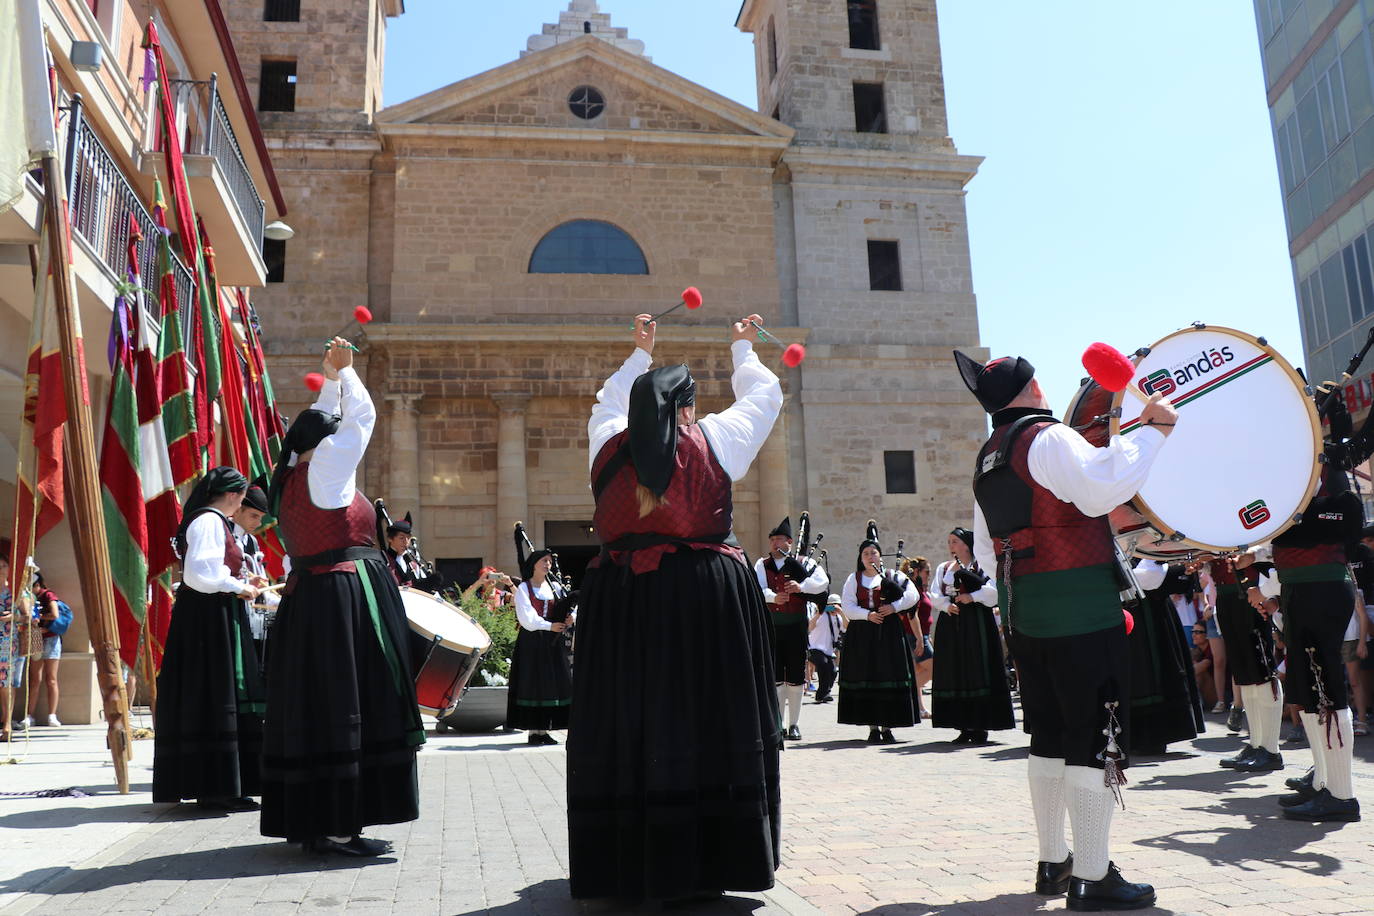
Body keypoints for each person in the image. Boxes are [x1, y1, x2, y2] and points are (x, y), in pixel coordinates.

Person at [568, 312, 783, 903]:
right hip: (702, 598)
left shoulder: (604, 439)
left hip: (622, 598)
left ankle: (627, 857)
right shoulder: (715, 439)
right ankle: (711, 858)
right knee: (707, 716)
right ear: (687, 410)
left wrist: (641, 354)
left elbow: (610, 400)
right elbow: (765, 395)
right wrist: (741, 348)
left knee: (630, 722)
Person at [957, 348, 1174, 911]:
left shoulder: (988, 455)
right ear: (1032, 389)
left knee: (1049, 734)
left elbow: (986, 549)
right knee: (1093, 735)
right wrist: (1153, 431)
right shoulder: (1047, 438)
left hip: (1025, 613)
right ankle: (1094, 876)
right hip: (1078, 607)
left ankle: (1054, 861)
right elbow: (1102, 487)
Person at [261, 337, 424, 856]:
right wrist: (350, 375)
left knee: (318, 706)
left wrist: (329, 378)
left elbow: (320, 420)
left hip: (311, 599)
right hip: (339, 601)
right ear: (326, 442)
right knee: (348, 701)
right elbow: (363, 418)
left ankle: (319, 820)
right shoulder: (328, 469)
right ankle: (337, 825)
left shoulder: (289, 474)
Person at [153, 467, 264, 812]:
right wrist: (238, 586)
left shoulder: (211, 521)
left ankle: (223, 785)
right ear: (232, 496)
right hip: (207, 620)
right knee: (213, 694)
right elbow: (202, 574)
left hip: (212, 616)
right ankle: (214, 787)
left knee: (217, 693)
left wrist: (242, 585)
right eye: (243, 499)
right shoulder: (209, 521)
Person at [1264, 455, 1363, 822]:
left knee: (1327, 688)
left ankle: (1342, 794)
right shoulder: (1288, 485)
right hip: (1299, 589)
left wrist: (1296, 522)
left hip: (1322, 587)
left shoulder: (1329, 475)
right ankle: (1325, 781)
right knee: (1308, 690)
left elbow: (1348, 522)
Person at [929, 527, 1014, 745]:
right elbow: (935, 594)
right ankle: (962, 725)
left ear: (967, 544)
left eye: (955, 541)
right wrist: (947, 605)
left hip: (977, 623)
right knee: (956, 670)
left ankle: (981, 725)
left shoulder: (983, 566)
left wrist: (972, 597)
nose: (951, 546)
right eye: (949, 542)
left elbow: (994, 591)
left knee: (977, 668)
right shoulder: (944, 568)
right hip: (952, 624)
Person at [838, 526, 920, 744]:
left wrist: (894, 607)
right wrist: (867, 615)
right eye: (865, 553)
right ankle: (873, 727)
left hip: (889, 634)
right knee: (868, 676)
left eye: (873, 552)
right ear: (861, 558)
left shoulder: (894, 575)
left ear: (880, 555)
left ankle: (888, 726)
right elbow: (847, 606)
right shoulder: (853, 579)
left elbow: (913, 595)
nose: (870, 556)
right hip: (863, 635)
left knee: (888, 676)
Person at [754, 516, 830, 741]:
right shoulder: (762, 564)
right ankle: (777, 723)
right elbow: (757, 588)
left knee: (795, 678)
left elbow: (822, 583)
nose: (775, 544)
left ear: (789, 542)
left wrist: (801, 586)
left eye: (779, 539)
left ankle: (794, 724)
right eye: (772, 540)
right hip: (772, 627)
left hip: (796, 626)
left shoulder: (805, 563)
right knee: (775, 678)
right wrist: (772, 597)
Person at [1206, 552, 1283, 771]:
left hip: (1251, 588)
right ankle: (1256, 744)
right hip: (1226, 592)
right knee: (1244, 674)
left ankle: (1270, 749)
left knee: (1262, 669)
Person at [1127, 559, 1203, 755]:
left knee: (1152, 671)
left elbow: (1149, 575)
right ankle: (1138, 736)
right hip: (1135, 612)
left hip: (1151, 613)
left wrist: (1177, 568)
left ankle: (1153, 736)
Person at [509, 531, 574, 745]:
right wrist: (549, 625)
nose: (547, 564)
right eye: (543, 561)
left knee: (551, 685)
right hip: (532, 642)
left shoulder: (555, 587)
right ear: (534, 564)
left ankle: (545, 729)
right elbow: (527, 619)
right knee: (533, 684)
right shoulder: (524, 588)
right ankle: (533, 731)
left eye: (549, 561)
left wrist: (571, 617)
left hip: (553, 644)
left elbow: (570, 604)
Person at [233, 484, 278, 667]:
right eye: (254, 516)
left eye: (260, 518)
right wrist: (244, 582)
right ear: (237, 511)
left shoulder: (251, 540)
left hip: (252, 615)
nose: (258, 523)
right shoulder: (224, 536)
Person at [25, 574, 68, 726]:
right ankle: (29, 715)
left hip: (51, 637)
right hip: (37, 636)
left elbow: (55, 614)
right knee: (35, 679)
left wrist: (39, 616)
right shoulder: (29, 597)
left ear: (38, 584)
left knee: (51, 678)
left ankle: (52, 715)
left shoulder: (48, 595)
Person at [901, 556, 936, 716]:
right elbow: (911, 615)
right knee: (933, 668)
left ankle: (919, 707)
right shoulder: (912, 589)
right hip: (915, 635)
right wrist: (921, 638)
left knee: (917, 671)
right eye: (926, 571)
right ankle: (907, 695)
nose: (929, 574)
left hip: (923, 635)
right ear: (917, 571)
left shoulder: (920, 589)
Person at [384, 513, 438, 592]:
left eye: (408, 538)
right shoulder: (383, 561)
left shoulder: (413, 565)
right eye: (401, 538)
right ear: (390, 539)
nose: (406, 542)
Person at [808, 593, 845, 704]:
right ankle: (821, 695)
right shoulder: (821, 616)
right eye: (831, 605)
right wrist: (820, 612)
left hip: (828, 651)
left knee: (833, 672)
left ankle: (825, 693)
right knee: (824, 666)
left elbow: (847, 626)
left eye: (836, 605)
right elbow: (810, 626)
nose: (834, 608)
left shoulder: (839, 618)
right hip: (814, 648)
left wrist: (841, 612)